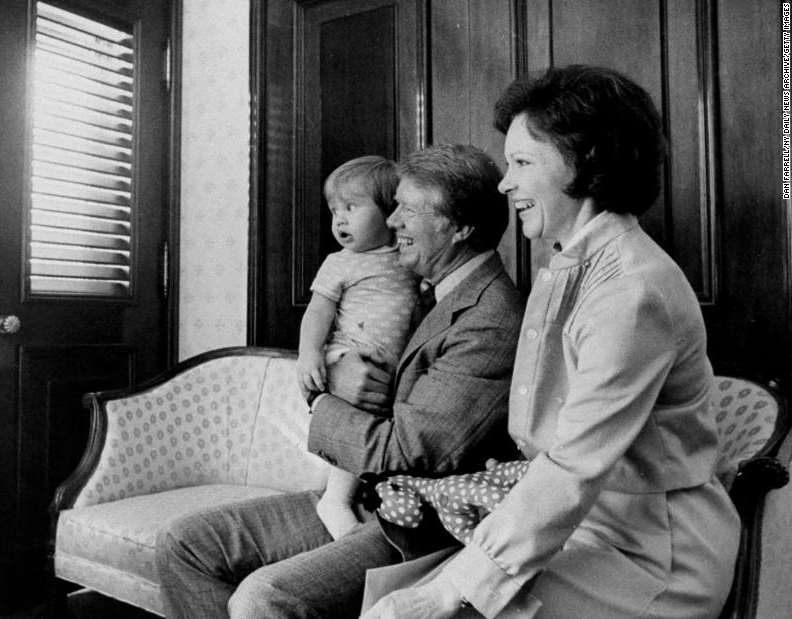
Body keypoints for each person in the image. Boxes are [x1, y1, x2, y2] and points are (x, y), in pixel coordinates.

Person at [361, 64, 741, 619]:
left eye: (521, 162)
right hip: (583, 526)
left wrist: (451, 590)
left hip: (654, 555)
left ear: (585, 162)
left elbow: (575, 464)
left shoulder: (631, 291)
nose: (503, 183)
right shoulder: (573, 264)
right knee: (387, 599)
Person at [155, 143, 524, 619]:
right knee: (183, 544)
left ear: (460, 228)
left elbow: (408, 450)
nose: (392, 223)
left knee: (264, 597)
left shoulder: (490, 317)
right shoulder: (430, 286)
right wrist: (334, 371)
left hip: (415, 523)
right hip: (369, 494)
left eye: (408, 210)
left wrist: (326, 394)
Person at [297, 156, 421, 540]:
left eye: (351, 207)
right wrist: (309, 354)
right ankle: (336, 500)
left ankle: (367, 497)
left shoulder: (408, 258)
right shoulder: (340, 263)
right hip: (349, 354)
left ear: (390, 211)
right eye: (335, 210)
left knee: (380, 428)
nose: (340, 219)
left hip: (387, 368)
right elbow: (318, 311)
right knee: (358, 420)